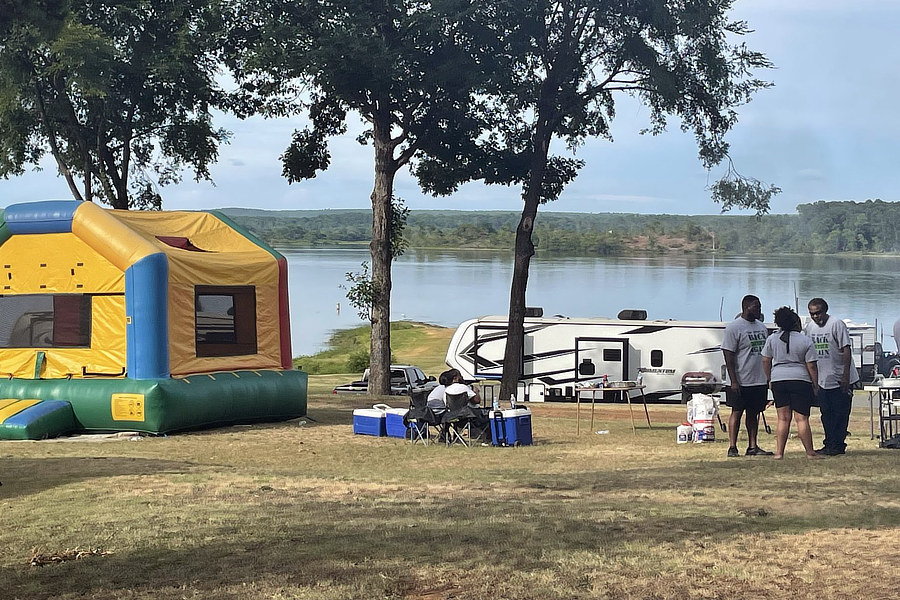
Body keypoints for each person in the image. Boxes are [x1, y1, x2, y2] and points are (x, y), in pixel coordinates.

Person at [762, 306, 821, 459]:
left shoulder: (772, 339)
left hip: (779, 379)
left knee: (782, 418)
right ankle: (810, 452)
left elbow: (765, 360)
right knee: (801, 418)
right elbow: (811, 365)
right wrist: (815, 383)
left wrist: (769, 378)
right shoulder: (805, 340)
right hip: (800, 379)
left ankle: (779, 453)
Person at [804, 298, 859, 456]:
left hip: (839, 376)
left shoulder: (836, 324)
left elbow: (846, 350)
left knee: (840, 413)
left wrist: (846, 375)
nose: (815, 317)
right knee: (826, 413)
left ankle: (838, 444)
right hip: (822, 379)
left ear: (825, 311)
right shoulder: (809, 328)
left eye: (818, 313)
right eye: (812, 314)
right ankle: (829, 443)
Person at [721, 295, 773, 457]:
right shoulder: (734, 328)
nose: (759, 310)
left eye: (760, 307)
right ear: (746, 307)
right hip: (740, 379)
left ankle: (752, 446)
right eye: (755, 307)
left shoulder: (761, 327)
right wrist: (734, 380)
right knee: (737, 411)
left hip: (758, 379)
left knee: (754, 413)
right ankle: (732, 446)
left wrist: (768, 378)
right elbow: (728, 354)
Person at [443, 369, 489, 439]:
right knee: (489, 416)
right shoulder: (464, 387)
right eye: (460, 376)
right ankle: (488, 438)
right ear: (455, 378)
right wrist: (475, 391)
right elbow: (477, 400)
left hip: (452, 417)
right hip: (467, 417)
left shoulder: (446, 390)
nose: (462, 377)